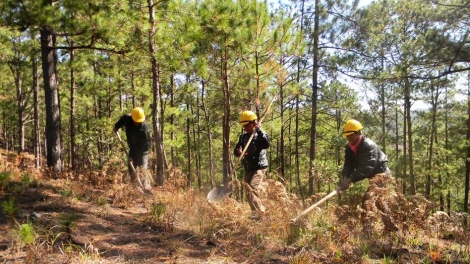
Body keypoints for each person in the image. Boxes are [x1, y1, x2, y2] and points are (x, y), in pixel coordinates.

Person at [338, 119, 399, 232]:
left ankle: (373, 230)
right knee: (376, 201)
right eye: (347, 136)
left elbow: (367, 168)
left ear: (358, 133)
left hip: (382, 174)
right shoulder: (349, 148)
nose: (349, 138)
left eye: (351, 135)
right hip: (372, 175)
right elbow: (348, 164)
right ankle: (389, 227)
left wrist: (351, 179)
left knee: (368, 199)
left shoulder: (368, 145)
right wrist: (345, 177)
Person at [234, 110, 270, 220]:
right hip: (248, 167)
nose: (244, 127)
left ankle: (261, 214)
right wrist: (238, 152)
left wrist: (258, 130)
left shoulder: (261, 135)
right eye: (243, 125)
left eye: (246, 125)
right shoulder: (243, 137)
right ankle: (254, 214)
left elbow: (266, 144)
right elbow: (236, 150)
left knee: (253, 188)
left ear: (253, 123)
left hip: (259, 167)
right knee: (247, 191)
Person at [114, 107, 151, 183]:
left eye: (139, 121)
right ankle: (135, 188)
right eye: (136, 121)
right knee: (132, 170)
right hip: (132, 147)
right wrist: (116, 127)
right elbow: (122, 120)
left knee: (142, 171)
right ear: (132, 117)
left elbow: (143, 145)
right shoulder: (127, 119)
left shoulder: (145, 129)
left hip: (143, 150)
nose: (137, 123)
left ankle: (145, 187)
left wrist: (132, 156)